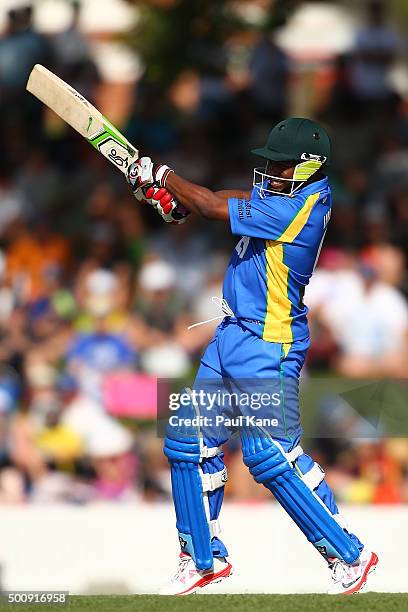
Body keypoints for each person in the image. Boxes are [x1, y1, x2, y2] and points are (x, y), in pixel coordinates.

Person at [127, 118, 379, 595]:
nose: (269, 172)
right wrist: (174, 202)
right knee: (187, 437)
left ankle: (350, 555)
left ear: (307, 168)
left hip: (268, 344)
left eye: (279, 166)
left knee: (270, 455)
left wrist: (163, 178)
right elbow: (215, 201)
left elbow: (208, 204)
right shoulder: (285, 195)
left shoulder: (300, 208)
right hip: (230, 336)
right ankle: (201, 560)